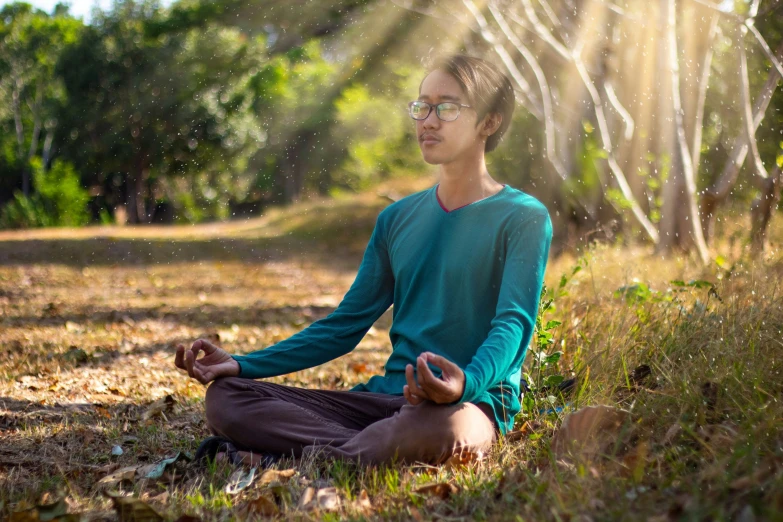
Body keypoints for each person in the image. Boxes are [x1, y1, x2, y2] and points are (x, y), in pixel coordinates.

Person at [174, 54, 553, 467]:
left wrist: (465, 385)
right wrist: (243, 364)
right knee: (227, 398)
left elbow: (513, 324)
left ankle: (288, 458)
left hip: (470, 406)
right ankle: (358, 451)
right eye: (421, 106)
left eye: (447, 107)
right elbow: (343, 326)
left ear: (490, 121)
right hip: (384, 401)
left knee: (445, 431)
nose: (428, 120)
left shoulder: (523, 216)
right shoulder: (397, 219)